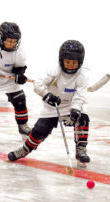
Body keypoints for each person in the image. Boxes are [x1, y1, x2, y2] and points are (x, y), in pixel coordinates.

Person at [8, 40, 90, 168]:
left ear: (81, 61)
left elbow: (80, 96)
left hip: (71, 106)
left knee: (83, 118)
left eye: (74, 63)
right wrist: (47, 95)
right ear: (61, 59)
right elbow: (38, 84)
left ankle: (81, 149)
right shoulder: (54, 70)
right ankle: (25, 149)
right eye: (67, 62)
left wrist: (75, 110)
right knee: (40, 130)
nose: (70, 66)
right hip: (53, 106)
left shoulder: (83, 76)